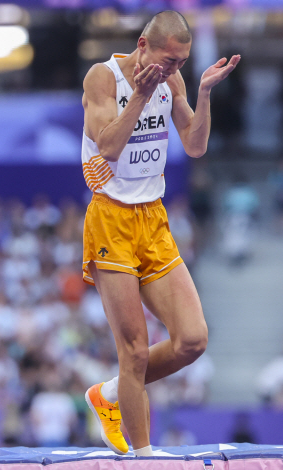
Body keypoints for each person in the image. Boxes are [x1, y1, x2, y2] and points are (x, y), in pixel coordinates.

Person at [81, 10, 240, 456]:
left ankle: (109, 392)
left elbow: (194, 144)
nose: (175, 70)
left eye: (182, 63)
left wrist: (203, 93)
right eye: (169, 60)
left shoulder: (172, 81)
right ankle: (144, 459)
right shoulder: (104, 78)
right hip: (111, 217)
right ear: (142, 45)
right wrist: (139, 95)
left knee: (193, 340)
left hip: (153, 218)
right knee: (134, 350)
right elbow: (107, 149)